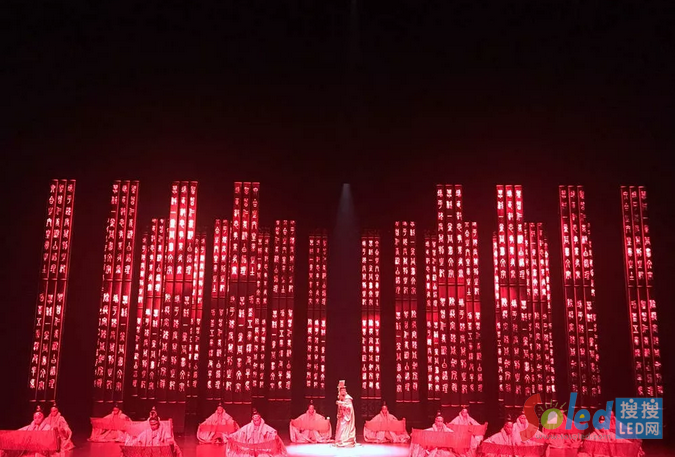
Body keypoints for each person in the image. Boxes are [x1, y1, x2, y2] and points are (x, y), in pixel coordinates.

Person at [333, 383, 356, 447]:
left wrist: (341, 403)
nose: (342, 392)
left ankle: (345, 440)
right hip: (343, 415)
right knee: (341, 427)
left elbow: (349, 407)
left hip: (346, 416)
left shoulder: (348, 398)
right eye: (341, 391)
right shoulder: (342, 397)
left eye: (344, 390)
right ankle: (341, 440)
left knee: (344, 427)